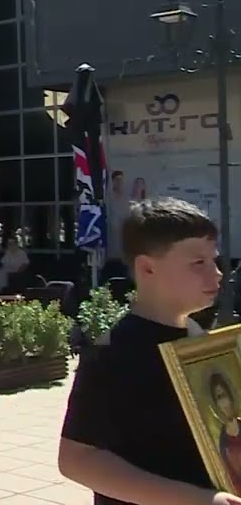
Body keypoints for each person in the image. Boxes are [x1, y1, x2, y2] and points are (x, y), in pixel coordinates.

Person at [58, 197, 238, 505]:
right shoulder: (112, 354)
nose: (218, 273)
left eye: (214, 260)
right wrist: (194, 500)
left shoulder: (200, 339)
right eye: (199, 263)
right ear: (147, 269)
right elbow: (78, 459)